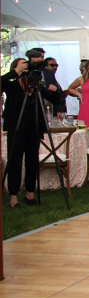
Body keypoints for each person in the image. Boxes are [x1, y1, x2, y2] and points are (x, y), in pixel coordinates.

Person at [2, 58, 56, 208]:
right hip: (16, 127)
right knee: (15, 162)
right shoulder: (11, 85)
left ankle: (30, 194)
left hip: (33, 128)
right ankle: (13, 198)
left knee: (32, 161)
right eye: (22, 66)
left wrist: (54, 89)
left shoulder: (34, 85)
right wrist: (15, 72)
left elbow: (55, 99)